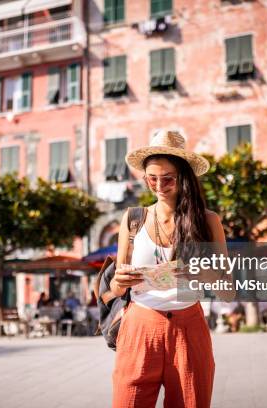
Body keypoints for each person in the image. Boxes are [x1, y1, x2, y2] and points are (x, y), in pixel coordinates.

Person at [107, 129, 229, 408]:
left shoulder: (208, 222)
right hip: (139, 328)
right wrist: (120, 280)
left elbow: (228, 292)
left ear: (184, 178)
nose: (159, 185)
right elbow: (115, 288)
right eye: (152, 178)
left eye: (168, 178)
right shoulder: (133, 218)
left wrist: (199, 273)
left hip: (189, 328)